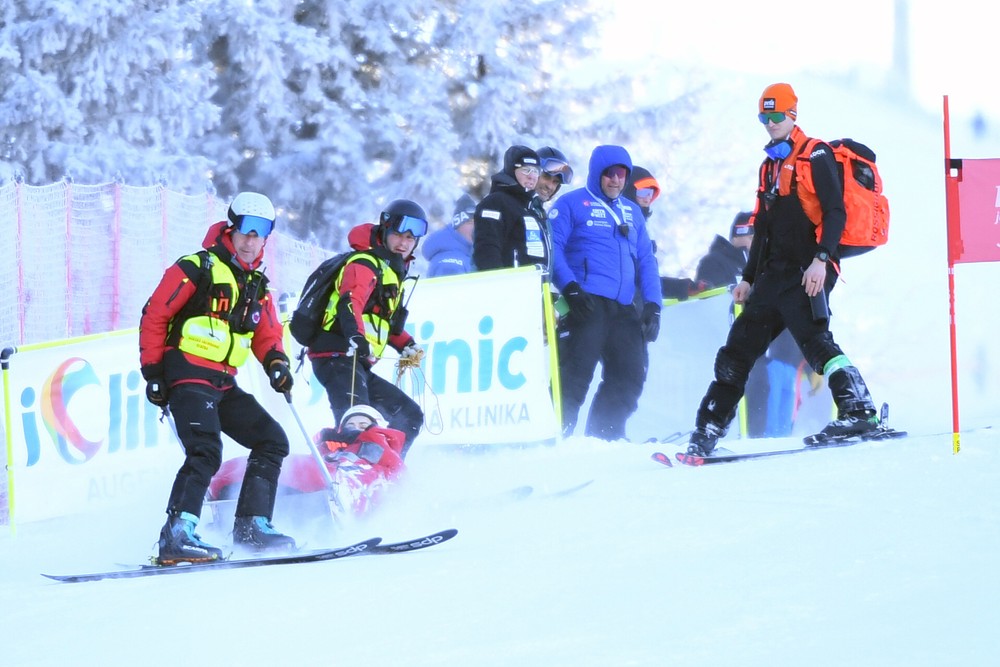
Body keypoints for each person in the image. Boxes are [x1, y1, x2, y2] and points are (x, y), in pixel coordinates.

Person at [686, 82, 880, 456]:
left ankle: (859, 410)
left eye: (776, 116)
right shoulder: (769, 166)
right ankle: (708, 428)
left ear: (793, 114)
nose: (770, 123)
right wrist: (747, 278)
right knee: (737, 350)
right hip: (773, 275)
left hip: (809, 270)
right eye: (764, 116)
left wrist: (822, 260)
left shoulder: (816, 154)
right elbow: (763, 227)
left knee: (814, 342)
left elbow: (835, 212)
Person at [139, 191, 296, 563]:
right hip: (187, 376)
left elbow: (267, 333)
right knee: (206, 450)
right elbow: (154, 315)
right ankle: (177, 535)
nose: (250, 239)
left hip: (223, 382)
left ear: (266, 238)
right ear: (231, 227)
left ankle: (251, 526)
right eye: (245, 229)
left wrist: (277, 363)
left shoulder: (256, 284)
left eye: (260, 233)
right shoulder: (198, 267)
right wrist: (153, 373)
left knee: (272, 440)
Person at [549, 145, 663, 440]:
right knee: (573, 377)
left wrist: (653, 305)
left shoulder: (632, 212)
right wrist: (570, 289)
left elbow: (646, 260)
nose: (615, 180)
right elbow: (554, 250)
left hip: (624, 308)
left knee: (629, 376)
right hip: (585, 304)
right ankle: (551, 440)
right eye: (609, 173)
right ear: (597, 173)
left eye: (621, 174)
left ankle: (604, 438)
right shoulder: (571, 204)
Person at [304, 199, 427, 458]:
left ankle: (382, 473)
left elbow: (383, 322)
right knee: (356, 423)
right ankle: (342, 477)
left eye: (410, 238)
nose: (404, 243)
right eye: (398, 234)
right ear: (384, 230)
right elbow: (350, 302)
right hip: (336, 355)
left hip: (354, 360)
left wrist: (407, 344)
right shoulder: (364, 263)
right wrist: (357, 339)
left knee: (409, 416)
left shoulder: (391, 270)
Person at [208, 404, 406, 517]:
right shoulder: (330, 448)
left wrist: (362, 437)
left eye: (363, 424)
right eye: (350, 425)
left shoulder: (384, 448)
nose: (354, 428)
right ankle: (231, 495)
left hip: (351, 480)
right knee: (284, 465)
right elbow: (317, 459)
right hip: (321, 478)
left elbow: (391, 465)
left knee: (324, 475)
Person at [473, 145, 549, 270]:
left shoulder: (530, 208)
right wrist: (501, 284)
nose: (531, 176)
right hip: (509, 285)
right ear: (511, 171)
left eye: (535, 171)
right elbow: (487, 248)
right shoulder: (495, 203)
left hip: (534, 285)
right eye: (526, 170)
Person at [422, 193, 477, 277]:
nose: (475, 227)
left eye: (477, 223)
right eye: (469, 222)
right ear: (458, 225)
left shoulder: (467, 253)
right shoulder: (451, 263)